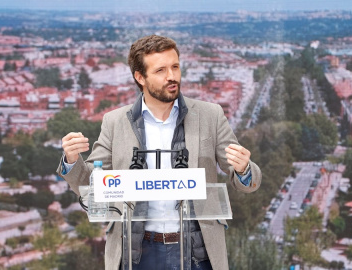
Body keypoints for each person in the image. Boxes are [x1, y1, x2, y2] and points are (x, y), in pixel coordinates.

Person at [57, 35, 261, 270]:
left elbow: (248, 183)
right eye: (161, 70)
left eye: (175, 67)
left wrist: (244, 168)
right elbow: (91, 184)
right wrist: (72, 161)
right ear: (140, 77)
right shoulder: (114, 122)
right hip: (138, 253)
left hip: (199, 252)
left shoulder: (210, 116)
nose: (172, 76)